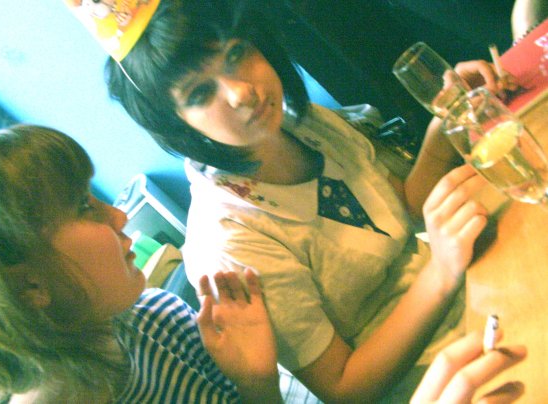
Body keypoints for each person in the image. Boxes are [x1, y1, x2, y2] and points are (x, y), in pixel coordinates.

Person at [96, 0, 515, 401]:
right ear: (176, 124)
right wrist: (441, 271)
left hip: (483, 295)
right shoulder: (229, 244)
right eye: (200, 93)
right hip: (435, 378)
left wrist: (448, 121)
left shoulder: (301, 123)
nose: (241, 92)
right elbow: (344, 387)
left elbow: (405, 205)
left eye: (236, 53)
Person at [0, 125, 281, 403]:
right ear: (30, 286)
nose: (119, 216)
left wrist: (257, 383)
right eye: (83, 206)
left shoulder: (159, 320)